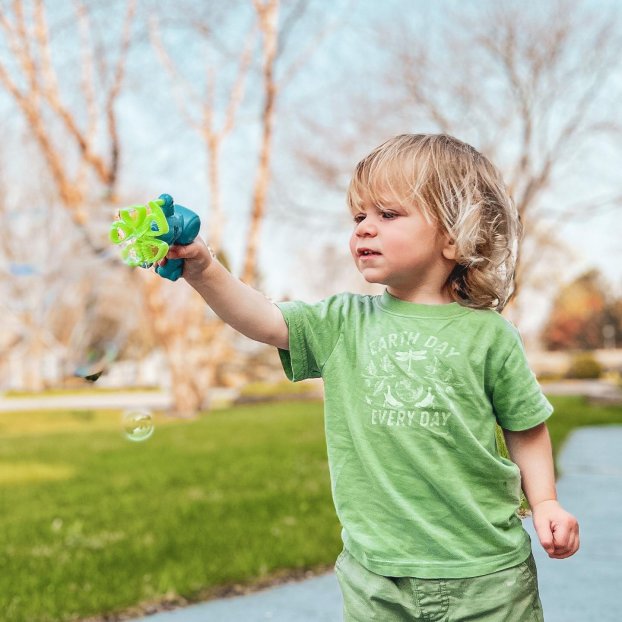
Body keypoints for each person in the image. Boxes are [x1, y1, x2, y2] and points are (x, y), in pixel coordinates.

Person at [158, 134, 579, 621]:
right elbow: (263, 318)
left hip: (485, 576)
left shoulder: (490, 336)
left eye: (388, 215)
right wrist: (204, 269)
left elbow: (525, 425)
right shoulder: (341, 323)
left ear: (453, 235)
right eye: (359, 217)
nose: (364, 230)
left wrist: (544, 501)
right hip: (377, 579)